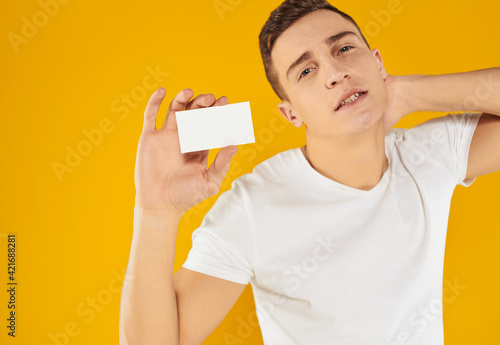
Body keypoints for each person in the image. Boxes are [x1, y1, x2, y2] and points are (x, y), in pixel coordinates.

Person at [119, 0, 500, 344]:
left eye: (345, 48)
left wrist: (408, 93)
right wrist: (157, 211)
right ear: (291, 114)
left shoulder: (429, 153)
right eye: (306, 71)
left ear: (378, 62)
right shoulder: (253, 207)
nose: (335, 72)